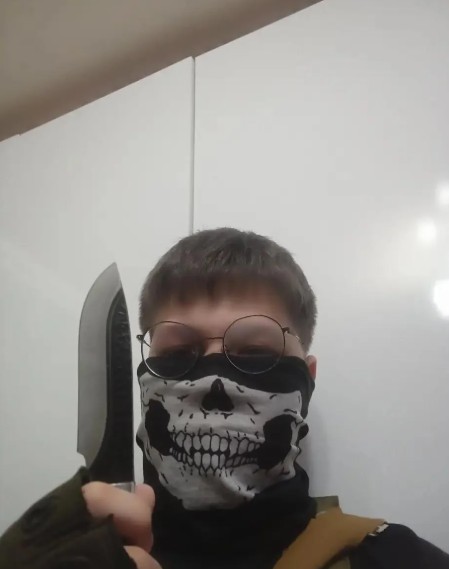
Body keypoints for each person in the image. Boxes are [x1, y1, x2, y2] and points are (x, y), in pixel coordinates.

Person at [0, 228, 448, 569]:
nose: (212, 385)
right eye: (178, 354)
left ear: (306, 382)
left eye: (254, 353)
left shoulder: (397, 561)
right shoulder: (67, 558)